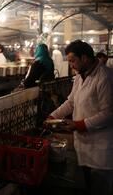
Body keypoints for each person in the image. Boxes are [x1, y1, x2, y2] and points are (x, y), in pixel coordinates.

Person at [47, 40, 113, 195]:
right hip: (83, 147)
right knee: (87, 187)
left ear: (84, 58)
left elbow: (109, 113)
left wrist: (78, 125)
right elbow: (71, 102)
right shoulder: (79, 76)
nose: (71, 65)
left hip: (101, 150)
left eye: (72, 61)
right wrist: (52, 116)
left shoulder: (105, 77)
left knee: (100, 189)